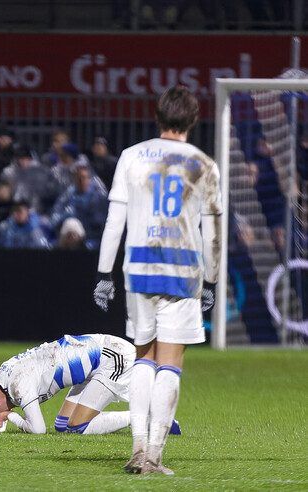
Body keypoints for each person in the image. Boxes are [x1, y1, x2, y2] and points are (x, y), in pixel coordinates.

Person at [94, 86, 221, 475]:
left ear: (158, 117)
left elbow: (115, 220)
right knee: (171, 362)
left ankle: (135, 449)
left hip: (139, 268)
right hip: (183, 269)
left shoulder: (132, 156)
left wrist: (104, 273)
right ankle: (153, 455)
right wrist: (213, 281)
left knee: (143, 356)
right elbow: (212, 231)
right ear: (194, 120)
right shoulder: (203, 164)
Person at [0, 334, 182, 436]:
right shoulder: (0, 377)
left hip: (111, 357)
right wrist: (2, 422)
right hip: (93, 360)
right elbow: (4, 405)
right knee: (63, 426)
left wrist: (10, 417)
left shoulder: (19, 386)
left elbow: (39, 429)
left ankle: (151, 417)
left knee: (78, 427)